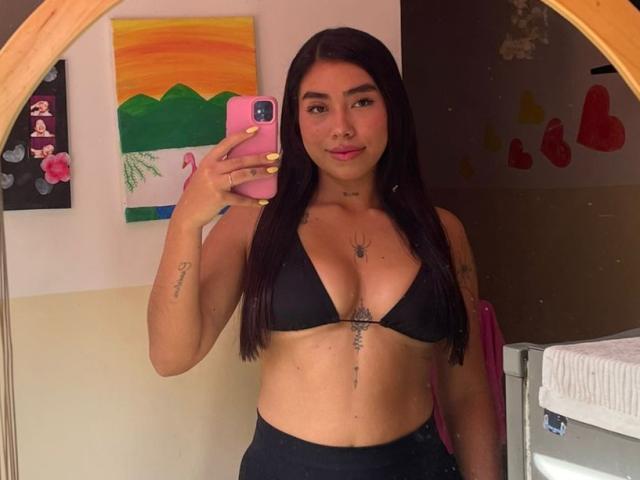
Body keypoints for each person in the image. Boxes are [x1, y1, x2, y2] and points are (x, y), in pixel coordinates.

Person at [147, 27, 501, 479]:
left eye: (362, 101)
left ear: (392, 108)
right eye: (318, 107)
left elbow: (466, 393)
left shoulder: (443, 232)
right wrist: (186, 222)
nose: (341, 128)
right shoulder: (254, 222)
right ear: (295, 121)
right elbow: (171, 356)